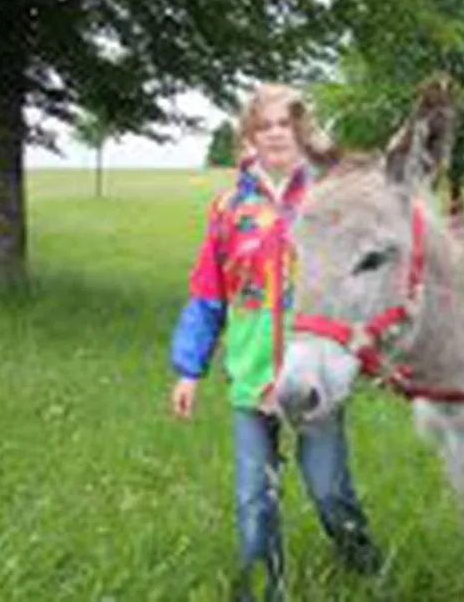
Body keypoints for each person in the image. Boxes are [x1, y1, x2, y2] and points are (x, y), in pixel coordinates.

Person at [168, 84, 381, 601]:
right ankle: (266, 590)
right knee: (253, 500)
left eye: (286, 123)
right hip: (251, 377)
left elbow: (363, 282)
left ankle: (369, 569)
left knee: (329, 491)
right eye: (264, 126)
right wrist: (189, 369)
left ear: (302, 133)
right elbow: (207, 294)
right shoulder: (228, 210)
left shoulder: (327, 200)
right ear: (249, 137)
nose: (276, 134)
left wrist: (372, 353)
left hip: (313, 381)